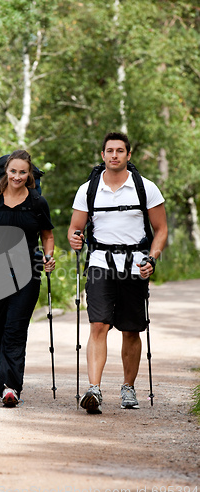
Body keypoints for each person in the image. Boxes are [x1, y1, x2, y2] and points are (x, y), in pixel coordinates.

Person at [68, 132, 168, 414]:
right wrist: (75, 239)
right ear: (102, 156)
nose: (114, 155)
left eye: (120, 151)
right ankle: (94, 389)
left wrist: (152, 258)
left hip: (135, 264)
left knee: (131, 329)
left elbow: (161, 230)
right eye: (109, 151)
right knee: (98, 324)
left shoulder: (146, 188)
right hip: (100, 263)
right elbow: (75, 229)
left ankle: (128, 387)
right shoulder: (88, 189)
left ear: (128, 155)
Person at [0, 150, 55, 407]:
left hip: (28, 272)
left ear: (29, 175)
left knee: (15, 330)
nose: (17, 176)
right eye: (13, 171)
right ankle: (4, 378)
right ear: (6, 172)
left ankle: (10, 387)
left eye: (23, 172)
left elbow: (47, 235)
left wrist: (49, 256)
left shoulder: (38, 203)